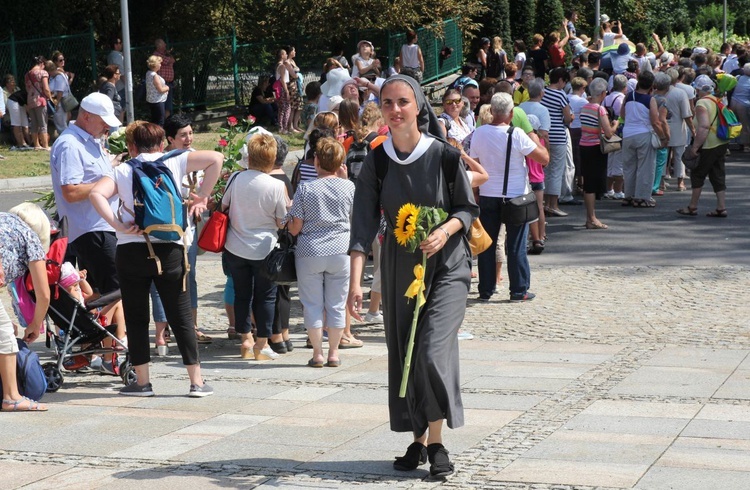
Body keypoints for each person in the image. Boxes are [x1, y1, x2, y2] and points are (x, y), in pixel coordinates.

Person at [348, 75, 479, 477]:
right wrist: (355, 283)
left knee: (431, 350)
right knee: (405, 350)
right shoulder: (378, 159)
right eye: (387, 102)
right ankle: (418, 439)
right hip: (400, 266)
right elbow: (362, 225)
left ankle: (437, 442)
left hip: (449, 264)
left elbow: (467, 208)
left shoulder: (443, 154)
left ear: (419, 106)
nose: (395, 109)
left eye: (403, 101)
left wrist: (445, 230)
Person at [89, 121, 221, 397]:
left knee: (137, 316)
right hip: (169, 249)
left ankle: (142, 382)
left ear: (131, 147)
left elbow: (95, 194)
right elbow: (216, 158)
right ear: (162, 145)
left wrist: (118, 223)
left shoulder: (122, 170)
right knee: (180, 314)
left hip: (131, 249)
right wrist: (203, 197)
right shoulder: (174, 161)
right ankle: (196, 382)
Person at [470, 92, 549, 303]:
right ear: (511, 113)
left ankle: (485, 290)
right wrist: (535, 139)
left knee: (487, 244)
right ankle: (518, 290)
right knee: (516, 245)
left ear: (492, 111)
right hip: (515, 196)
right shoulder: (517, 134)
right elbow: (544, 158)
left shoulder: (479, 133)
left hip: (487, 194)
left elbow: (475, 164)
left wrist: (476, 193)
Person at [287, 137, 354, 367]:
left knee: (312, 304)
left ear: (316, 161)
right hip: (340, 249)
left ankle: (317, 353)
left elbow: (295, 228)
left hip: (310, 250)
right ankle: (334, 352)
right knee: (336, 304)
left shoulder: (305, 188)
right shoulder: (349, 186)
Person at [222, 133, 289, 360]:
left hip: (235, 246)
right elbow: (282, 221)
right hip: (264, 248)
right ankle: (262, 343)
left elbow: (224, 206)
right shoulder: (276, 186)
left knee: (242, 294)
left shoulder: (235, 179)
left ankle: (245, 340)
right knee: (266, 297)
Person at [50, 93, 122, 295]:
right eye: (103, 122)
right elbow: (70, 191)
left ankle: (113, 327)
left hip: (100, 226)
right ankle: (111, 327)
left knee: (112, 289)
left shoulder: (89, 140)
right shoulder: (70, 144)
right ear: (87, 116)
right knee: (114, 291)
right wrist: (114, 183)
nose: (107, 127)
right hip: (91, 230)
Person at [0, 205, 51, 411]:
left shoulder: (4, 219)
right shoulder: (31, 238)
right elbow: (44, 295)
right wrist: (35, 325)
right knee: (6, 339)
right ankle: (12, 397)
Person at [676, 76, 729, 218]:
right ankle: (721, 207)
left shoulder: (702, 103)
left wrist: (695, 147)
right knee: (717, 173)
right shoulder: (717, 100)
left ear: (698, 89)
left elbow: (704, 126)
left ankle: (692, 206)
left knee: (698, 174)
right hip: (721, 142)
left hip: (708, 144)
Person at [579, 78, 619, 229]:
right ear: (603, 93)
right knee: (592, 185)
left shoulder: (584, 107)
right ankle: (592, 218)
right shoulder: (599, 109)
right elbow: (608, 134)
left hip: (584, 145)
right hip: (596, 148)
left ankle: (590, 217)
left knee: (588, 183)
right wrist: (615, 124)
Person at [620, 71, 665, 208]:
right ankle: (642, 197)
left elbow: (622, 114)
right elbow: (655, 121)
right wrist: (662, 137)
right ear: (652, 85)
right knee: (645, 167)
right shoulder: (650, 99)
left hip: (628, 134)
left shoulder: (628, 96)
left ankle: (628, 195)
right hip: (643, 134)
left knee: (629, 167)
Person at [541, 68, 573, 217]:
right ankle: (553, 205)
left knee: (546, 170)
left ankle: (545, 203)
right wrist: (570, 119)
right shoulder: (560, 94)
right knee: (556, 171)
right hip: (558, 136)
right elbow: (567, 117)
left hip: (545, 135)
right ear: (560, 80)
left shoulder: (543, 93)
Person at [25, 56, 52, 150]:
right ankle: (45, 145)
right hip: (40, 100)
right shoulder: (43, 73)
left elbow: (27, 88)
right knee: (43, 123)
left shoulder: (27, 74)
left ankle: (36, 145)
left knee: (34, 124)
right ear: (42, 64)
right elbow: (46, 88)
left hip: (30, 100)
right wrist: (50, 97)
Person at [2, 74, 31, 148]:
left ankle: (30, 142)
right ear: (7, 83)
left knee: (25, 123)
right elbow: (28, 107)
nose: (14, 84)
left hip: (21, 103)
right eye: (12, 82)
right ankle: (21, 143)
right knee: (17, 123)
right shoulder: (3, 91)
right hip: (12, 103)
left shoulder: (17, 89)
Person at [729, 63, 750, 153]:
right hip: (744, 104)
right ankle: (746, 145)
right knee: (745, 125)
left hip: (733, 102)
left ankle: (728, 144)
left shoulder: (738, 77)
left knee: (732, 124)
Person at [152, 39, 176, 118]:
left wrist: (168, 54)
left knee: (168, 107)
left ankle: (166, 122)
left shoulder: (165, 54)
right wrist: (169, 58)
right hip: (163, 83)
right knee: (165, 106)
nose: (165, 45)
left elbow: (173, 60)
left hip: (168, 83)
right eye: (164, 44)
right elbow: (170, 61)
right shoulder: (157, 55)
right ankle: (165, 124)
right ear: (159, 46)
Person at [46, 60, 70, 135]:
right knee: (59, 121)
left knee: (61, 123)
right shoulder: (55, 77)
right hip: (58, 100)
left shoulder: (59, 77)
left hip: (60, 102)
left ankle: (66, 137)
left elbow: (60, 91)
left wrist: (56, 103)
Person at [145, 55, 169, 127]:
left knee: (154, 120)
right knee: (160, 121)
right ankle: (159, 136)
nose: (160, 65)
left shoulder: (148, 73)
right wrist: (167, 88)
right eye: (159, 63)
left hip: (152, 101)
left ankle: (154, 136)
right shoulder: (154, 75)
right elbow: (160, 89)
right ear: (155, 64)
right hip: (158, 101)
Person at [107, 37, 126, 111]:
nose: (121, 45)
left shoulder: (113, 55)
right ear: (115, 45)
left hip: (117, 85)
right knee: (121, 110)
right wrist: (127, 84)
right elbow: (121, 71)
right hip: (120, 86)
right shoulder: (116, 56)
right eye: (120, 43)